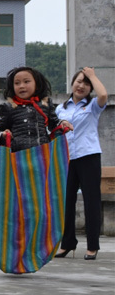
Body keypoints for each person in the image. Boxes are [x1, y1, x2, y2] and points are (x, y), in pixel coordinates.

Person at [56, 67, 108, 260]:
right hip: (67, 158)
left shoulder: (94, 105)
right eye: (79, 81)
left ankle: (92, 246)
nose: (81, 86)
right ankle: (67, 243)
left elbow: (103, 94)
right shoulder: (61, 109)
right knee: (66, 202)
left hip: (89, 156)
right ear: (72, 83)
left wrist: (93, 75)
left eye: (86, 83)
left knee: (91, 202)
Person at [0, 66, 72, 152]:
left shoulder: (45, 104)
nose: (21, 86)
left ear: (37, 85)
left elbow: (54, 123)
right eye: (17, 83)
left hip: (43, 153)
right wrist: (3, 135)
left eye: (26, 81)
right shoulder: (9, 107)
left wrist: (63, 123)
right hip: (18, 156)